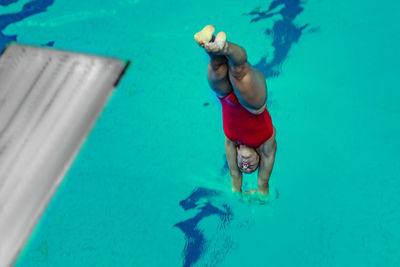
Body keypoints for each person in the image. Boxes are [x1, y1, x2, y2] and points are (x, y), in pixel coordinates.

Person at [194, 25, 277, 197]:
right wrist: (261, 190)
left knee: (216, 65)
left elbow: (234, 175)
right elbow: (263, 182)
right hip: (254, 104)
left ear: (237, 154)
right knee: (239, 71)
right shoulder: (265, 143)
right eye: (251, 167)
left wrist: (237, 193)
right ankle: (225, 46)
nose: (245, 165)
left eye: (243, 167)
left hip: (225, 98)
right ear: (259, 158)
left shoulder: (231, 143)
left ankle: (209, 41)